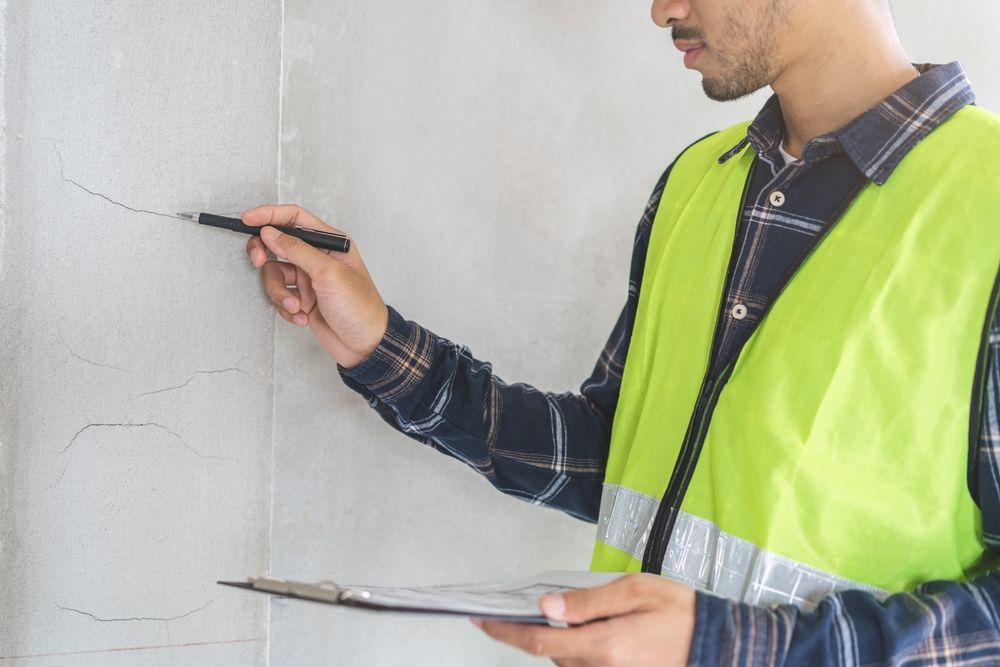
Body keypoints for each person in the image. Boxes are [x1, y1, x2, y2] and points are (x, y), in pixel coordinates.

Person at [242, 0, 1000, 664]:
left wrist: (730, 650)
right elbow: (618, 455)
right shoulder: (696, 182)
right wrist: (378, 347)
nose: (661, 10)